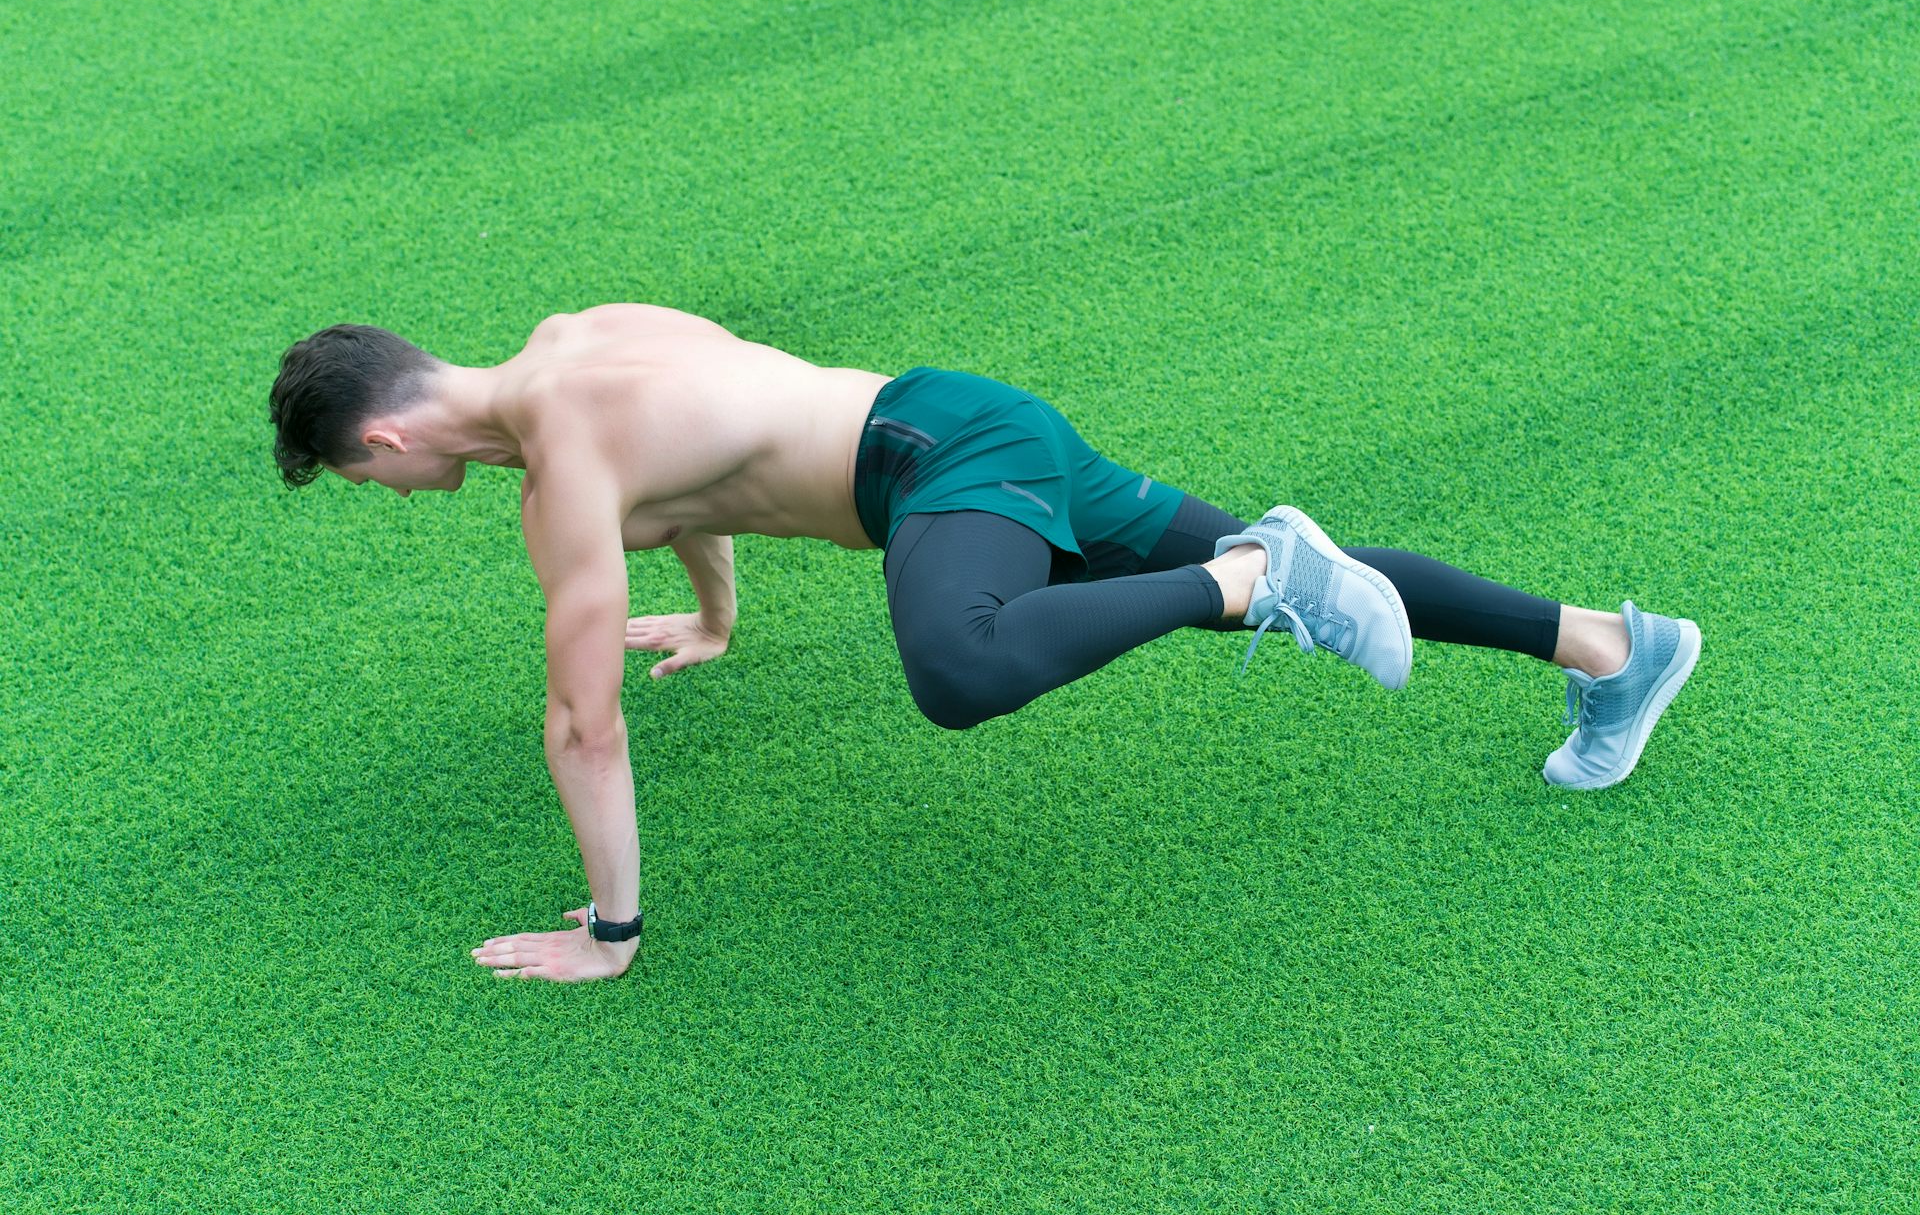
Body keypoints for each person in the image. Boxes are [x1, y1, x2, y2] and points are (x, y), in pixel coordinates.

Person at [267, 304, 1702, 983]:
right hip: (966, 417)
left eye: (359, 477)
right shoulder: (572, 349)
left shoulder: (560, 469)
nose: (382, 493)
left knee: (960, 666)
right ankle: (1612, 647)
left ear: (383, 439)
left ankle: (1259, 578)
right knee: (1259, 566)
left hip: (932, 470)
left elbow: (583, 722)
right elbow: (686, 470)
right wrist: (713, 615)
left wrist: (613, 929)